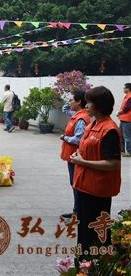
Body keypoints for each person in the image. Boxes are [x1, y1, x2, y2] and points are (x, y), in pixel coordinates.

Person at [70, 86, 121, 257]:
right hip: (84, 185)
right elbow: (87, 148)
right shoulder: (93, 124)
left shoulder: (110, 130)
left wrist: (83, 162)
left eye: (89, 102)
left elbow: (113, 163)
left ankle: (97, 265)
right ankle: (84, 264)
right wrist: (78, 154)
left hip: (97, 190)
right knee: (84, 229)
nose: (86, 106)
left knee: (96, 231)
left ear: (99, 105)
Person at [59, 90, 91, 220]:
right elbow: (65, 108)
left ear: (78, 102)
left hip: (77, 157)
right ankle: (77, 210)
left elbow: (79, 139)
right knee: (74, 183)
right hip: (72, 156)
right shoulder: (76, 114)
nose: (70, 102)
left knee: (77, 184)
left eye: (72, 99)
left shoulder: (81, 119)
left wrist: (65, 138)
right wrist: (69, 102)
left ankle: (79, 211)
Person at [117, 83, 131, 157]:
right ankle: (122, 151)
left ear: (128, 89)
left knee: (127, 136)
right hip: (123, 119)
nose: (123, 89)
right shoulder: (126, 97)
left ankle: (129, 152)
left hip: (127, 119)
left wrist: (119, 112)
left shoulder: (130, 97)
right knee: (120, 135)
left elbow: (126, 108)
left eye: (124, 88)